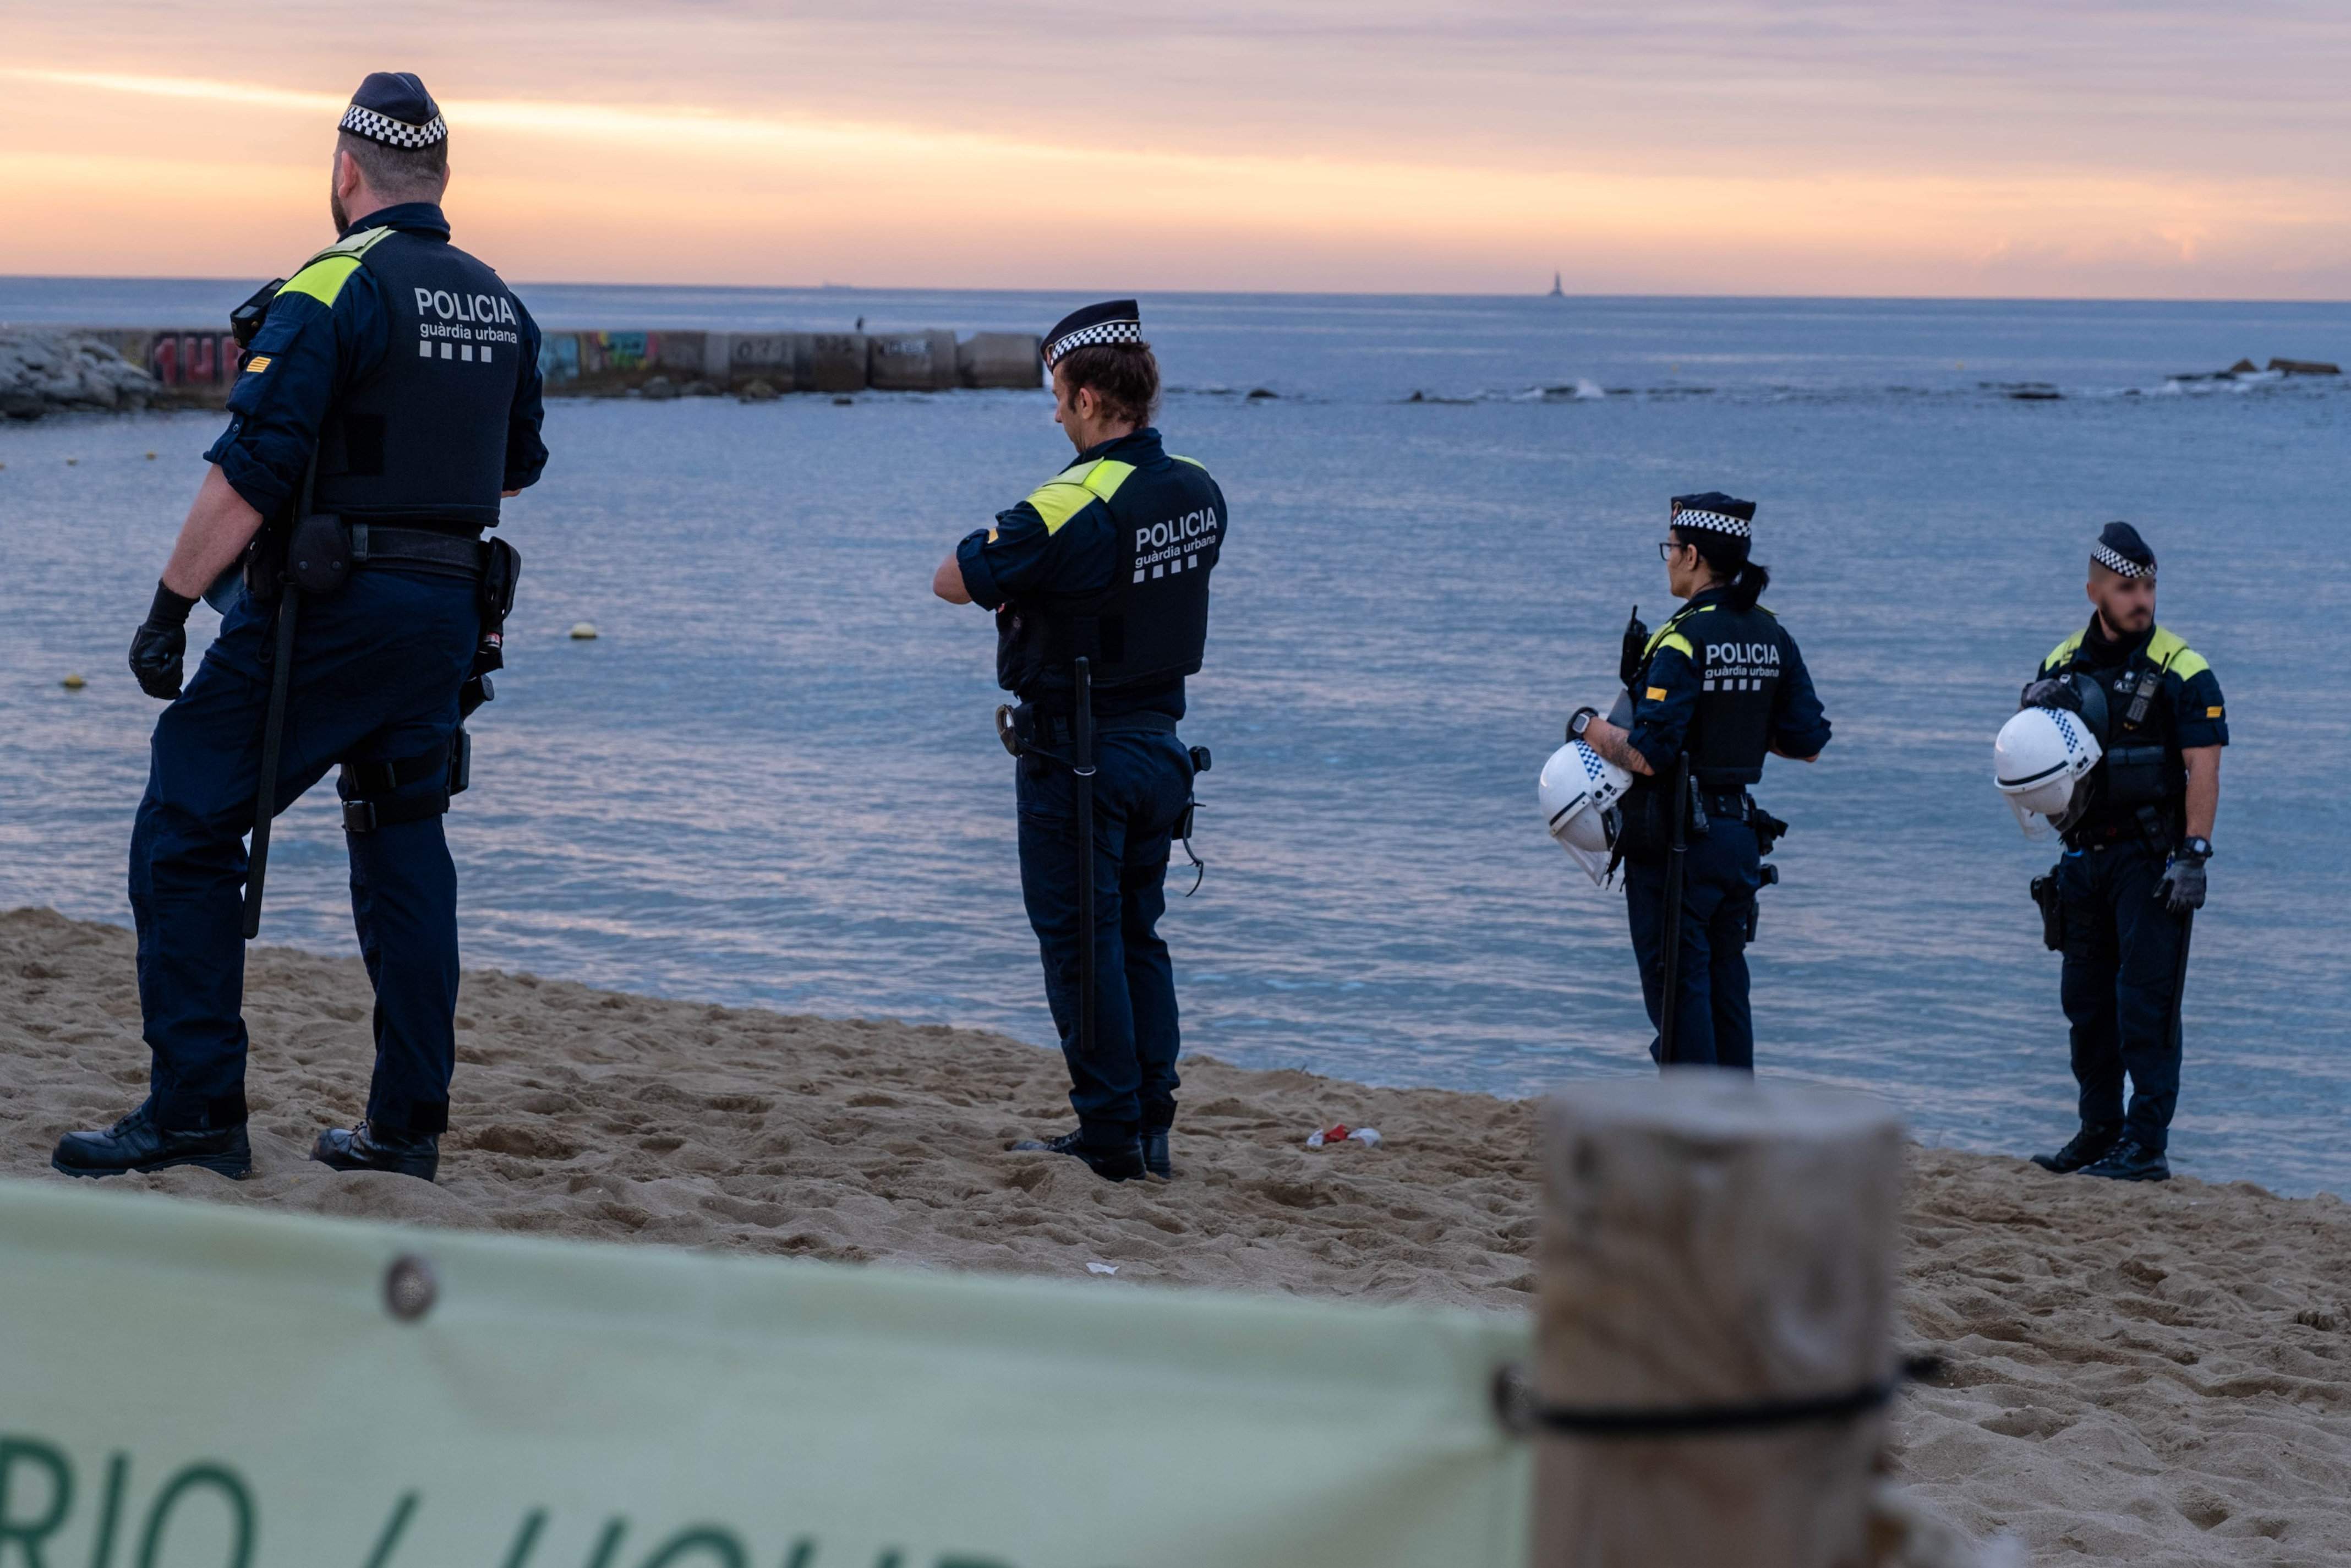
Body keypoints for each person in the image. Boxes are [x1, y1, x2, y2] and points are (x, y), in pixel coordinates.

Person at [52, 73, 546, 1185]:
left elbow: (252, 472)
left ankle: (194, 1109)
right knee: (402, 838)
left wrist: (171, 605)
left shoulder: (332, 285)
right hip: (449, 614)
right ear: (444, 176)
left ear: (345, 170)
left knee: (185, 818)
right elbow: (513, 469)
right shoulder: (496, 299)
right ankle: (406, 1127)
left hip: (332, 608)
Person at [932, 301, 1228, 1183]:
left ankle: (1108, 1133)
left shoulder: (1069, 501)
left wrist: (1025, 563)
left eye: (1060, 398)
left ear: (1093, 399)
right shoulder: (1198, 485)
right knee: (1138, 936)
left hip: (1078, 754)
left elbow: (954, 578)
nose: (1055, 415)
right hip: (1163, 748)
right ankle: (1151, 1120)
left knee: (1080, 944)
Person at [1574, 493, 1830, 1070]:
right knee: (1727, 988)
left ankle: (1693, 1135)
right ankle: (1738, 1127)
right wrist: (1735, 724)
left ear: (1692, 555)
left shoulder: (1684, 638)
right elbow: (1808, 742)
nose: (1667, 560)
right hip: (1737, 837)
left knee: (1679, 995)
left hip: (1677, 844)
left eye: (1671, 549)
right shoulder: (1772, 635)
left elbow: (1648, 754)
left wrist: (1586, 726)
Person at [2021, 523, 2223, 1183]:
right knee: (2086, 1004)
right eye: (2128, 587)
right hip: (2082, 858)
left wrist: (2193, 854)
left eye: (2149, 587)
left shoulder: (2182, 668)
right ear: (2095, 590)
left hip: (2151, 861)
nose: (2142, 600)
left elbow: (2204, 768)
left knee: (2146, 1004)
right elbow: (2028, 757)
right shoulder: (2059, 664)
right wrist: (2028, 704)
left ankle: (2146, 1144)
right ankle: (2099, 1128)